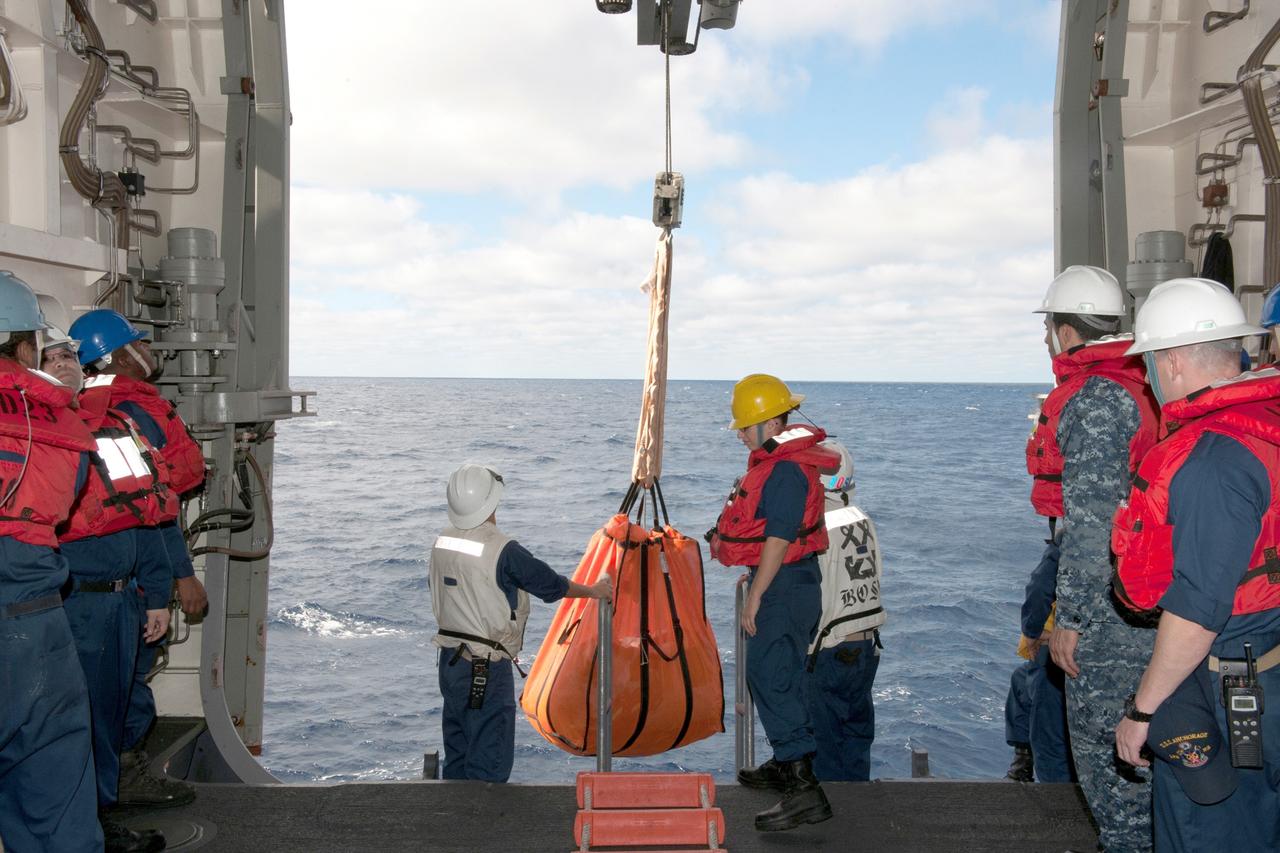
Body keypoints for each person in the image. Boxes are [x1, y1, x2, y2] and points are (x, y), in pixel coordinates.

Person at [1112, 277, 1280, 851]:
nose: (1150, 377)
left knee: (1206, 830)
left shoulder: (1213, 459)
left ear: (1174, 362)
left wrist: (1142, 709)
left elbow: (1199, 608)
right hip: (1269, 663)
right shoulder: (1268, 427)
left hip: (1230, 675)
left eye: (1150, 363)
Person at [1031, 266, 1161, 851]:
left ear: (1063, 333)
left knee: (1116, 778)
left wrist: (1073, 619)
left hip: (1115, 616)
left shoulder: (1097, 400)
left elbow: (1092, 523)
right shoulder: (1145, 386)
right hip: (1155, 595)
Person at [68, 308, 207, 810]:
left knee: (117, 689)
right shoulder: (126, 415)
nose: (149, 353)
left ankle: (114, 787)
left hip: (121, 583)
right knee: (110, 696)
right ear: (114, 356)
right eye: (137, 345)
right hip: (104, 590)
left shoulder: (109, 413)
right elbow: (149, 511)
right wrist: (178, 577)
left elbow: (143, 509)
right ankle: (109, 796)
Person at [45, 327, 174, 853]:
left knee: (107, 714)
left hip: (123, 600)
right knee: (80, 722)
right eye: (51, 356)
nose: (64, 365)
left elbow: (143, 516)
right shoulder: (38, 430)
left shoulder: (115, 427)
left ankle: (98, 824)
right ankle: (88, 829)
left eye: (69, 356)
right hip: (72, 600)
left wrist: (158, 593)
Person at [708, 373, 839, 831]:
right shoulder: (785, 464)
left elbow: (780, 538)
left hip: (784, 585)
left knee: (769, 674)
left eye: (744, 426)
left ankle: (804, 790)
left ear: (767, 424)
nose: (740, 434)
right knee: (777, 672)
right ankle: (788, 764)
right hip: (792, 583)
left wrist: (755, 597)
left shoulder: (784, 471)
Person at [0, 271, 102, 852]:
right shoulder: (60, 421)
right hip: (35, 624)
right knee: (54, 796)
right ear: (26, 344)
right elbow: (67, 504)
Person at [430, 463, 611, 783]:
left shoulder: (442, 541)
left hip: (450, 663)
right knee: (488, 762)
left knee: (458, 752)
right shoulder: (503, 550)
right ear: (491, 501)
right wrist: (595, 591)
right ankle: (479, 828)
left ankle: (452, 825)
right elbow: (551, 585)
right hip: (483, 670)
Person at [804, 439, 885, 782]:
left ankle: (831, 828)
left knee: (822, 743)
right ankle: (857, 816)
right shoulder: (861, 518)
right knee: (856, 736)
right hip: (866, 644)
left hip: (829, 646)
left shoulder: (816, 526)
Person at [1003, 539, 1072, 783]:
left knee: (1051, 740)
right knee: (1021, 679)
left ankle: (1059, 810)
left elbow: (1040, 588)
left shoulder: (1072, 538)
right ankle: (1023, 757)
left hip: (1069, 651)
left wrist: (1033, 631)